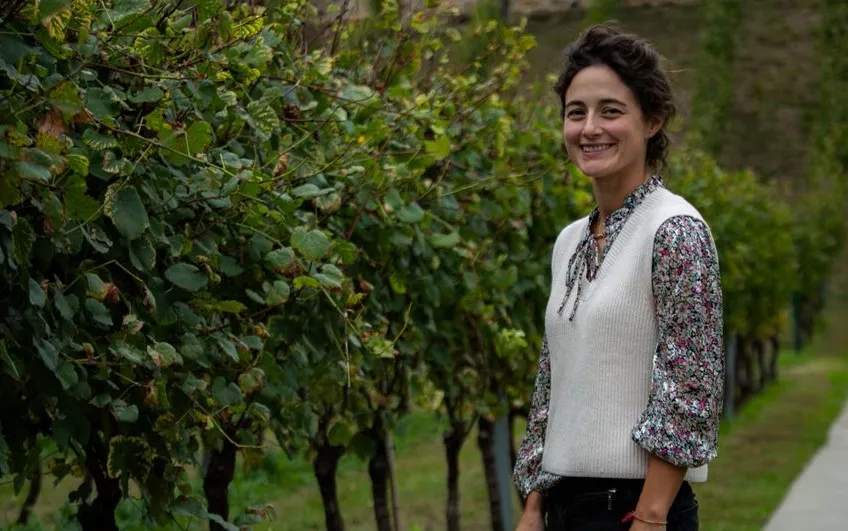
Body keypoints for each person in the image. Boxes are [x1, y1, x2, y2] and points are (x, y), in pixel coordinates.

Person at [513, 25, 724, 531]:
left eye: (611, 111)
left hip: (632, 508)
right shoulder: (569, 243)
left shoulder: (674, 230)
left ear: (652, 121)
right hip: (563, 504)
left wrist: (650, 516)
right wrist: (534, 506)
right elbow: (553, 383)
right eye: (575, 112)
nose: (590, 128)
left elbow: (690, 386)